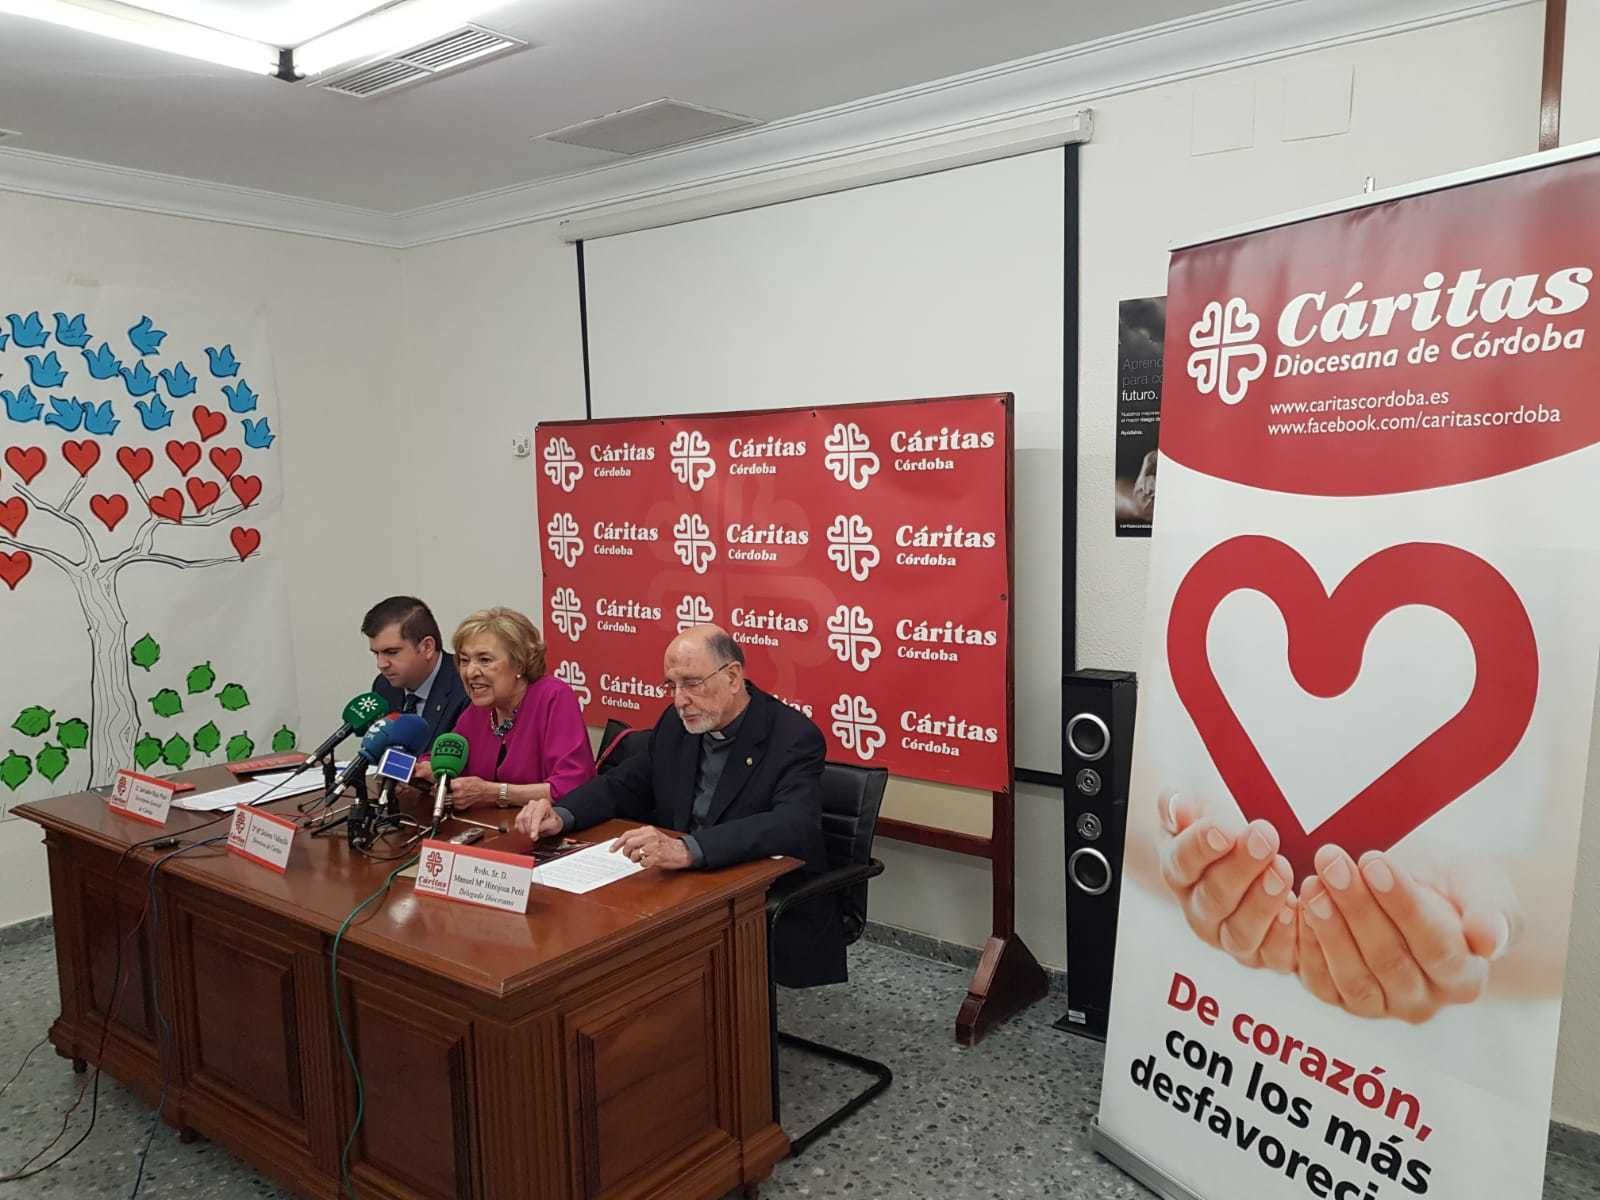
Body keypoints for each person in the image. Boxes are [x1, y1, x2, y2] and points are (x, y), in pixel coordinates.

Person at [515, 625, 844, 987]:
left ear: (733, 677)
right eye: (671, 685)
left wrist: (690, 849)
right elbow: (623, 783)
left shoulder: (792, 735)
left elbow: (792, 823)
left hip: (758, 891)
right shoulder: (676, 724)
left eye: (691, 683)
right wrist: (562, 815)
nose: (679, 700)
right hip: (683, 885)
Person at [424, 607, 594, 813]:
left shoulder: (553, 696)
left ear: (520, 664)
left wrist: (494, 793)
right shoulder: (480, 708)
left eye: (485, 660)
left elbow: (573, 786)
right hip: (491, 825)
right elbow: (449, 757)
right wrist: (431, 771)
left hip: (543, 826)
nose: (470, 672)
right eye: (464, 660)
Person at [362, 596, 469, 746]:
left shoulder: (465, 687)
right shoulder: (384, 687)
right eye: (376, 653)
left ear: (427, 647)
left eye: (392, 652)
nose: (381, 664)